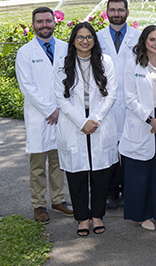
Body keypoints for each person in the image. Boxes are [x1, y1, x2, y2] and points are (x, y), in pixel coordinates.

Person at [54, 22, 117, 236]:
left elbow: (111, 94)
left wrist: (94, 119)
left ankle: (97, 216)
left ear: (94, 40)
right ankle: (82, 218)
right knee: (77, 174)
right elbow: (61, 99)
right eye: (80, 37)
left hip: (99, 121)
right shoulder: (63, 64)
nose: (84, 41)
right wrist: (82, 122)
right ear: (73, 40)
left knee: (100, 174)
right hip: (74, 124)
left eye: (89, 37)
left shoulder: (105, 62)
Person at [15, 7, 73, 224]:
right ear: (33, 24)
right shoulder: (25, 53)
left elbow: (70, 80)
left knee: (59, 161)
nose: (44, 25)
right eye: (40, 22)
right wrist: (51, 110)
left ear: (54, 23)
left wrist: (61, 108)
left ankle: (58, 200)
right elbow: (27, 88)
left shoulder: (66, 48)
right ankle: (38, 204)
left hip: (62, 114)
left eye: (48, 21)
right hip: (40, 116)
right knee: (38, 164)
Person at [119, 25, 156, 231]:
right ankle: (142, 215)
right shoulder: (133, 64)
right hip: (142, 121)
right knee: (139, 173)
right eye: (152, 40)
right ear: (144, 41)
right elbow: (130, 99)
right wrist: (151, 120)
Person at [97, 0, 141, 209]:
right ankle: (112, 192)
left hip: (132, 102)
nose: (116, 14)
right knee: (110, 150)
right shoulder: (97, 38)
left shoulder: (139, 37)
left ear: (127, 12)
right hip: (107, 103)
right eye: (112, 10)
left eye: (120, 10)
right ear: (106, 12)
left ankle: (130, 191)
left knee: (130, 151)